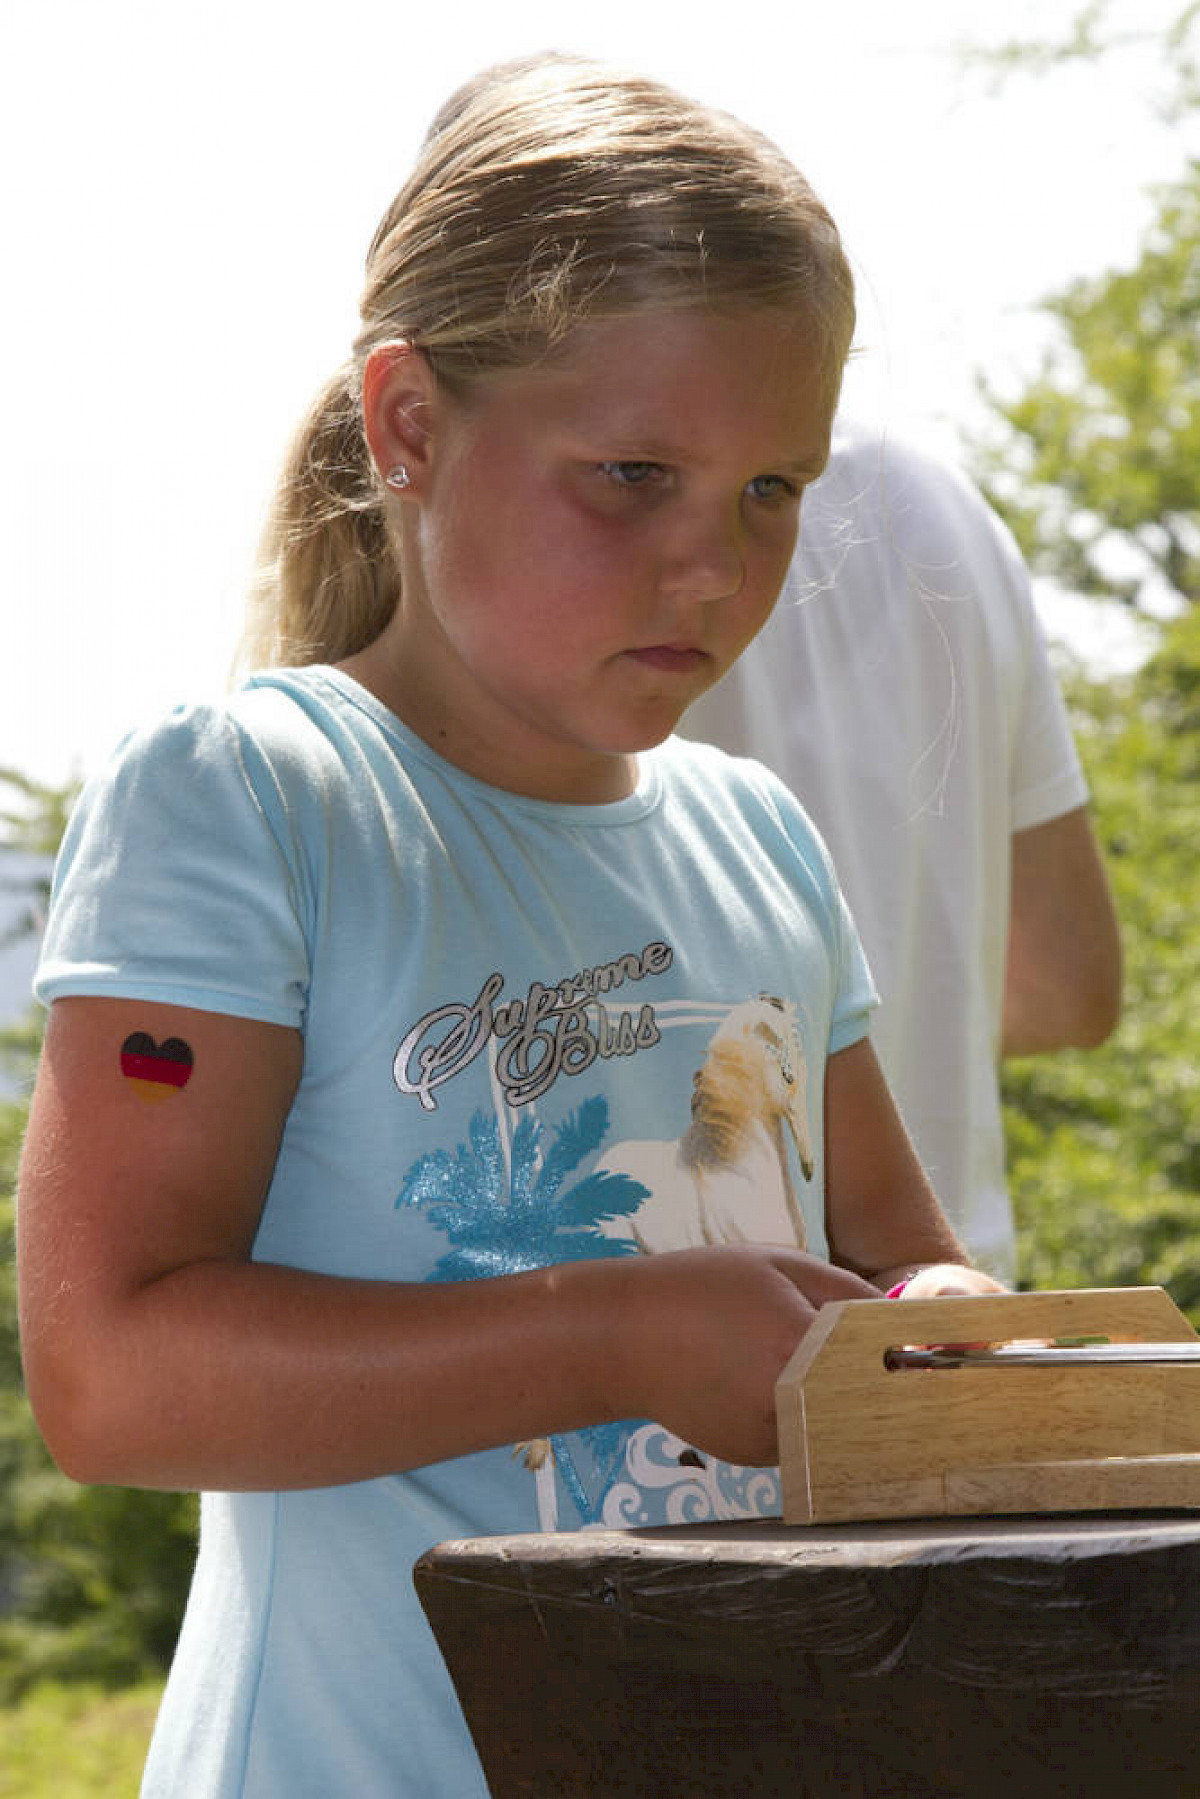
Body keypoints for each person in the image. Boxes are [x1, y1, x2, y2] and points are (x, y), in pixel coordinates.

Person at [17, 56, 1001, 1799]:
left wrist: (946, 1321)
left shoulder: (760, 835)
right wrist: (619, 1336)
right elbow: (110, 1375)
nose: (714, 567)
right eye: (631, 473)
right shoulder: (250, 795)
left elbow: (896, 1258)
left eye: (772, 489)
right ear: (408, 424)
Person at [683, 417, 1122, 1282]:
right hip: (946, 1303)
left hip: (682, 1315)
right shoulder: (944, 505)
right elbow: (1068, 986)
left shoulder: (589, 488)